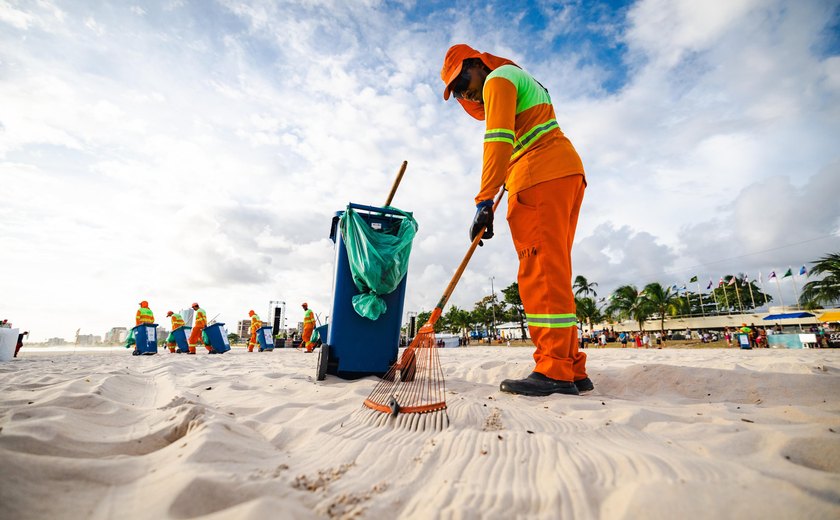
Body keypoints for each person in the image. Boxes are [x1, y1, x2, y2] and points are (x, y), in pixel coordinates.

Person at [441, 44, 590, 396]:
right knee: (555, 271)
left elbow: (498, 139)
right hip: (564, 172)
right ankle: (571, 367)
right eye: (457, 90)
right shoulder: (519, 78)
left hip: (540, 177)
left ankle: (554, 369)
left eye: (462, 80)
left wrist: (483, 200)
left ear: (478, 64)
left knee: (539, 273)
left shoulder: (498, 80)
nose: (465, 91)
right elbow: (516, 136)